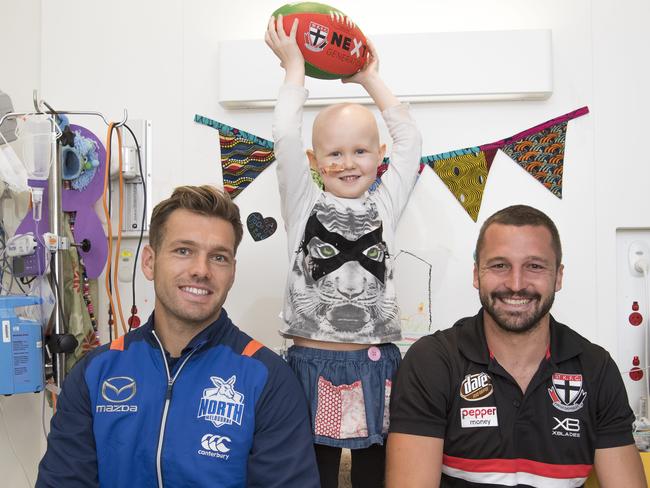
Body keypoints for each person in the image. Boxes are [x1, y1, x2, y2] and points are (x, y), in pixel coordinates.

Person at [36, 185, 319, 488]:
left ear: (232, 272)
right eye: (183, 251)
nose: (201, 270)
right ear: (149, 262)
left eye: (219, 257)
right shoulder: (95, 373)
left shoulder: (268, 380)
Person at [265, 14, 422, 488]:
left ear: (379, 157)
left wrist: (369, 77)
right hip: (311, 368)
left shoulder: (385, 203)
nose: (348, 163)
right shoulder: (304, 200)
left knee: (377, 475)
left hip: (376, 366)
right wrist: (296, 71)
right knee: (311, 477)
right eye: (334, 153)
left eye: (360, 151)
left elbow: (410, 139)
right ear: (315, 162)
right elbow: (285, 136)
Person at [386, 204, 647, 487]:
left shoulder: (596, 368)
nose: (516, 284)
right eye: (500, 265)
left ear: (558, 276)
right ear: (476, 275)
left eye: (534, 266)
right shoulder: (432, 361)